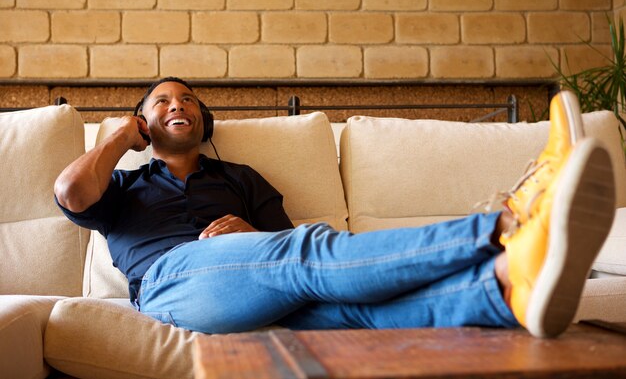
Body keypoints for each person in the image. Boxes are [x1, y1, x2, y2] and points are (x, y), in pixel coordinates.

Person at [54, 77, 616, 339]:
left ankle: (506, 286)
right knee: (303, 254)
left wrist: (249, 233)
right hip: (170, 284)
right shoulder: (124, 185)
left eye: (189, 100)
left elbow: (287, 249)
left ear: (206, 120)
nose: (180, 106)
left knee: (355, 309)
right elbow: (71, 194)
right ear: (145, 122)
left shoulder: (240, 178)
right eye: (163, 103)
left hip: (255, 279)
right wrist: (119, 135)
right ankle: (509, 221)